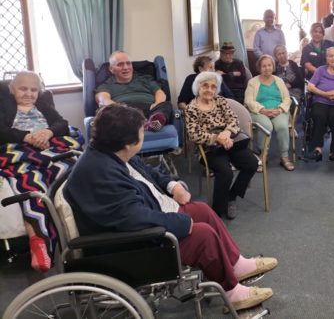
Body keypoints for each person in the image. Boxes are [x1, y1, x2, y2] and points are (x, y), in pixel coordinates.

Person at [64, 103, 275, 312]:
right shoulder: (101, 175)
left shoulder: (110, 152)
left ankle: (236, 264)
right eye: (142, 133)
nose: (144, 135)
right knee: (203, 235)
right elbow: (133, 219)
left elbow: (147, 171)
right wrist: (181, 223)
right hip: (132, 245)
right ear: (128, 144)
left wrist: (172, 185)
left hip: (149, 215)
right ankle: (232, 292)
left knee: (202, 211)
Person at [0, 72, 82, 272]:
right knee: (29, 182)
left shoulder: (43, 105)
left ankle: (82, 231)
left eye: (33, 90)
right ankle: (38, 241)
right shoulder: (5, 105)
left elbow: (62, 123)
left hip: (49, 147)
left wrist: (47, 132)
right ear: (12, 89)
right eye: (23, 89)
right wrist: (27, 137)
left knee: (71, 170)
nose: (28, 94)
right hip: (20, 149)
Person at [185, 72, 259, 218]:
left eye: (213, 87)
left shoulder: (220, 101)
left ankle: (231, 196)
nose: (209, 90)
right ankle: (217, 212)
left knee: (252, 164)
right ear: (198, 87)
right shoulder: (191, 108)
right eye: (205, 85)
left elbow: (234, 120)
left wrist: (227, 132)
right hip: (209, 148)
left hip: (231, 141)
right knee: (226, 173)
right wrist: (217, 138)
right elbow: (194, 134)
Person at [96, 50, 173, 132]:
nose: (126, 67)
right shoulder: (106, 85)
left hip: (150, 110)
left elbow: (160, 93)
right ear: (111, 69)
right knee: (108, 111)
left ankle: (155, 122)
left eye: (128, 63)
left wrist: (157, 104)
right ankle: (142, 124)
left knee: (166, 105)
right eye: (120, 64)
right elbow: (103, 100)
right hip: (124, 112)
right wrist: (123, 109)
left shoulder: (145, 79)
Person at [245, 55, 295, 171]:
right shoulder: (252, 82)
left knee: (282, 126)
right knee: (266, 126)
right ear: (259, 68)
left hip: (278, 110)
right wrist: (263, 110)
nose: (267, 68)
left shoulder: (279, 81)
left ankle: (284, 157)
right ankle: (263, 155)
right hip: (259, 111)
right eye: (264, 66)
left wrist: (280, 109)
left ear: (273, 66)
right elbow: (248, 100)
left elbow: (287, 98)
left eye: (269, 65)